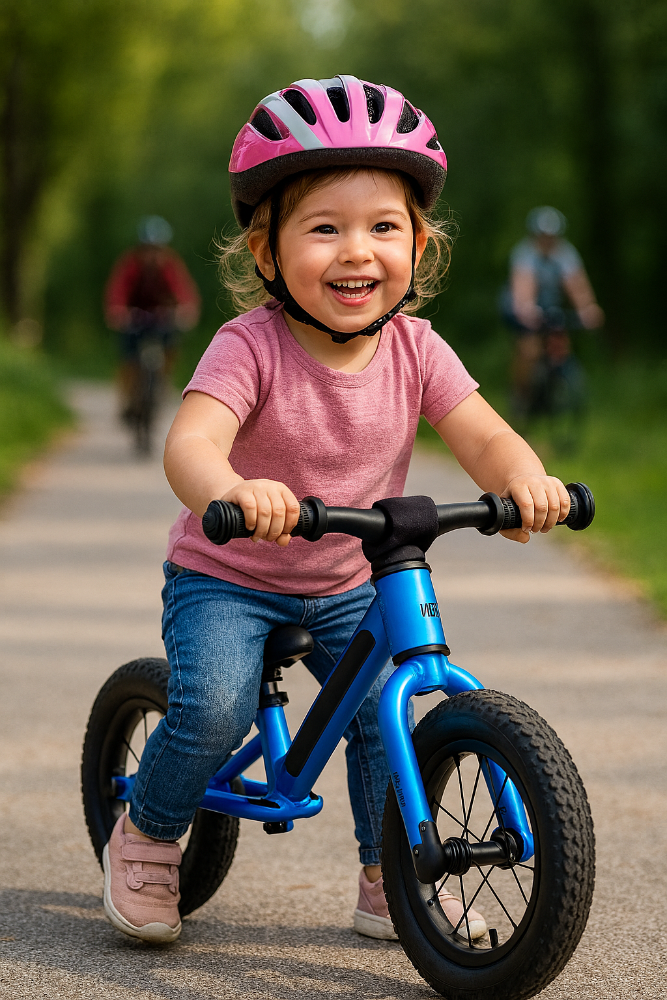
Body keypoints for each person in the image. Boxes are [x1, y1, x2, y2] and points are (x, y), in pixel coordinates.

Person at [101, 75, 574, 945]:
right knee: (212, 710)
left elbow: (483, 435)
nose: (356, 251)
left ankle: (387, 872)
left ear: (418, 244)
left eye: (382, 227)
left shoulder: (417, 348)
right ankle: (149, 834)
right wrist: (232, 491)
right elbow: (191, 445)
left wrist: (525, 483)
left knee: (381, 710)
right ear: (268, 252)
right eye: (325, 228)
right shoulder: (249, 345)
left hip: (352, 575)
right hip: (230, 574)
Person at [505, 206, 604, 414]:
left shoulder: (566, 254)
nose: (548, 241)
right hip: (521, 306)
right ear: (535, 235)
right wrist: (526, 309)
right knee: (529, 348)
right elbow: (524, 286)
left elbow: (576, 284)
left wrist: (588, 308)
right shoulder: (525, 254)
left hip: (550, 306)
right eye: (543, 236)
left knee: (559, 340)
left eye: (551, 236)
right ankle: (521, 397)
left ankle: (556, 389)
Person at [104, 215, 201, 422]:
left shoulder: (170, 265)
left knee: (171, 346)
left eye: (157, 250)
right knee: (128, 357)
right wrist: (117, 310)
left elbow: (182, 290)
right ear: (141, 249)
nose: (152, 255)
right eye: (148, 249)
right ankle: (126, 396)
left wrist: (186, 309)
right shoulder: (130, 264)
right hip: (134, 316)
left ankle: (163, 382)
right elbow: (118, 289)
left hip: (161, 316)